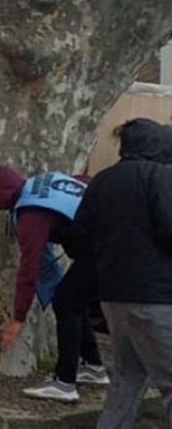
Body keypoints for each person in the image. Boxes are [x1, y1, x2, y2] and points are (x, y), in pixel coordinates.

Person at [0, 166, 107, 403]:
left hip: (105, 251)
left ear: (0, 198)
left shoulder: (31, 216)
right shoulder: (44, 182)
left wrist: (18, 318)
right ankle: (93, 366)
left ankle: (64, 382)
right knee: (74, 302)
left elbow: (29, 268)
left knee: (65, 302)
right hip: (114, 242)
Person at [75, 118, 172, 427]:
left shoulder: (102, 181)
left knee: (128, 379)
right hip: (157, 297)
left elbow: (81, 236)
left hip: (113, 296)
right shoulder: (159, 177)